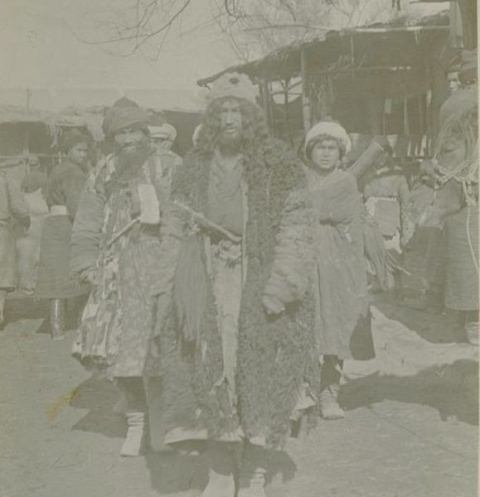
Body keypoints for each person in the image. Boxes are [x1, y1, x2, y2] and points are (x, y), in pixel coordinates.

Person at [154, 72, 319, 497]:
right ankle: (223, 466)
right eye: (221, 111)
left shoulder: (278, 164)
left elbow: (297, 225)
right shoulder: (192, 168)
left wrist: (281, 285)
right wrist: (167, 286)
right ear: (210, 120)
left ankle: (255, 471)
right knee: (210, 370)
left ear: (252, 118)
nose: (230, 119)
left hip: (260, 280)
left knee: (262, 372)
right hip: (205, 280)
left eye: (238, 111)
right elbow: (173, 225)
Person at [70, 98, 181, 456]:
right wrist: (86, 263)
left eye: (135, 130)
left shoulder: (169, 165)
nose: (129, 139)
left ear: (147, 132)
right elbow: (87, 220)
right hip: (116, 272)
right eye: (121, 133)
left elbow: (187, 216)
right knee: (118, 350)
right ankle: (136, 421)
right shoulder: (103, 171)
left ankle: (162, 421)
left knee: (159, 348)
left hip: (160, 270)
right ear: (111, 138)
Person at [302, 121, 374, 420]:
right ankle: (304, 393)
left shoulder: (345, 182)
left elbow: (323, 209)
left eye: (332, 148)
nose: (326, 154)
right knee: (304, 326)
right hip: (301, 259)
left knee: (333, 326)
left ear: (341, 152)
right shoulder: (299, 179)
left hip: (335, 263)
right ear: (310, 151)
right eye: (321, 147)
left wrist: (301, 206)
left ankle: (329, 393)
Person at [35, 130, 92, 339]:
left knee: (56, 276)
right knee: (78, 272)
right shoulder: (74, 173)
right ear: (68, 151)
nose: (84, 154)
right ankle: (78, 323)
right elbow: (77, 206)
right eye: (79, 150)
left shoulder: (57, 169)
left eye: (86, 151)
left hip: (53, 224)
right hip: (67, 225)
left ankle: (57, 329)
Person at [362, 143, 413, 290]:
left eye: (383, 154)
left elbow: (406, 203)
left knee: (391, 253)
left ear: (389, 155)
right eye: (376, 154)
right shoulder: (367, 173)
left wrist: (406, 230)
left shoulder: (397, 175)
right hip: (369, 216)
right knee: (370, 252)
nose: (379, 158)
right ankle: (377, 282)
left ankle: (394, 286)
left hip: (388, 217)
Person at [0, 162, 30, 327]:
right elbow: (19, 207)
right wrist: (26, 220)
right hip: (1, 230)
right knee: (2, 274)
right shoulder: (4, 179)